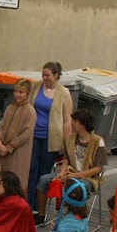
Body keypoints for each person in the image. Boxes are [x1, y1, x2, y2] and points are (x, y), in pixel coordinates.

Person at [37, 108, 107, 224]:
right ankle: (41, 215)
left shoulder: (97, 141)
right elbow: (66, 160)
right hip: (70, 172)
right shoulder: (70, 139)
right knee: (43, 180)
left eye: (74, 121)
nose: (71, 123)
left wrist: (76, 175)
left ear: (82, 124)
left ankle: (73, 218)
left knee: (77, 187)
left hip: (88, 177)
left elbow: (98, 168)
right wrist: (61, 174)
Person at [28, 62, 73, 215]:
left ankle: (38, 207)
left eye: (47, 75)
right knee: (31, 169)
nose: (44, 78)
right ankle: (28, 203)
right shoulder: (36, 86)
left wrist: (66, 143)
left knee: (43, 172)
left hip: (50, 139)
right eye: (43, 75)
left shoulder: (64, 93)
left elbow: (67, 120)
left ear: (56, 75)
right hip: (33, 135)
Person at [0, 78, 36, 192]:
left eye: (21, 92)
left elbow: (26, 133)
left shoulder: (30, 111)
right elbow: (1, 125)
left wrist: (9, 147)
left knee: (15, 180)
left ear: (27, 94)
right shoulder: (10, 108)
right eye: (15, 91)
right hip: (3, 149)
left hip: (18, 151)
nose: (17, 94)